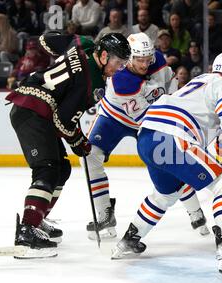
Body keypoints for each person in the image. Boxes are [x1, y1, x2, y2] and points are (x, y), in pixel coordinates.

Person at [111, 52, 222, 273]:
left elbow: (215, 136)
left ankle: (129, 239)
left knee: (166, 194)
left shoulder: (200, 81)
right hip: (173, 137)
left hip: (148, 137)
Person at [5, 32, 131, 258]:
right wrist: (80, 143)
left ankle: (38, 218)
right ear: (103, 56)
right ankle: (27, 231)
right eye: (118, 63)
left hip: (35, 106)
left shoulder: (83, 43)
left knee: (62, 169)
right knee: (47, 169)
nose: (119, 69)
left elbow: (45, 39)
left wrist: (65, 59)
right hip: (33, 111)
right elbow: (63, 123)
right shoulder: (93, 85)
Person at [83, 33, 209, 240]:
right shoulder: (121, 80)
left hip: (150, 115)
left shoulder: (156, 59)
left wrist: (174, 101)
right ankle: (104, 214)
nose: (145, 64)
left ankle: (195, 211)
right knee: (90, 156)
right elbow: (143, 116)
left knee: (170, 160)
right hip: (116, 118)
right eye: (139, 59)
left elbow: (172, 80)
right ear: (128, 58)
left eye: (147, 58)